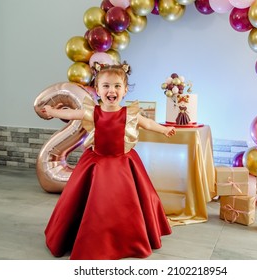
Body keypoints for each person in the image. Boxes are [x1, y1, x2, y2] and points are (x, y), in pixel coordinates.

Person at [41, 61, 176, 260]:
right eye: (106, 86)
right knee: (94, 202)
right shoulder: (92, 112)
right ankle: (89, 234)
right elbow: (71, 114)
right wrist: (53, 112)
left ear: (125, 90)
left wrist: (164, 129)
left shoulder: (129, 113)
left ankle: (129, 236)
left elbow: (147, 123)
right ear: (97, 89)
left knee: (127, 202)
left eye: (116, 86)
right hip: (97, 163)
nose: (111, 90)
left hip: (124, 163)